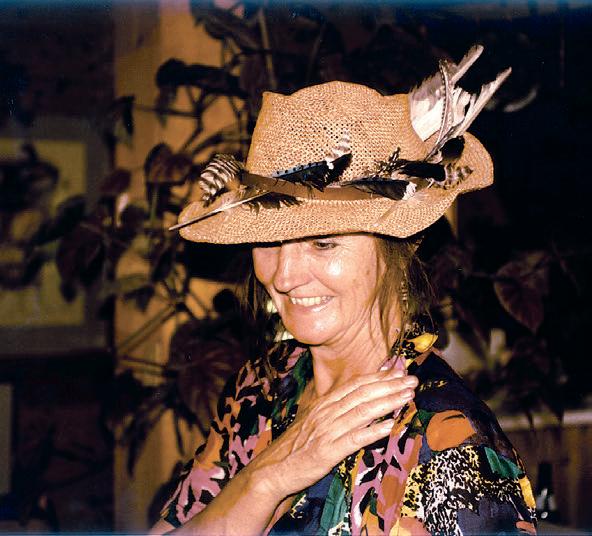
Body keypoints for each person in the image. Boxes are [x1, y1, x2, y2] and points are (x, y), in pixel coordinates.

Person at [152, 47, 536, 535]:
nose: (283, 276)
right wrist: (264, 480)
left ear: (398, 245)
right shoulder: (264, 386)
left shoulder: (448, 443)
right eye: (267, 242)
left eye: (323, 242)